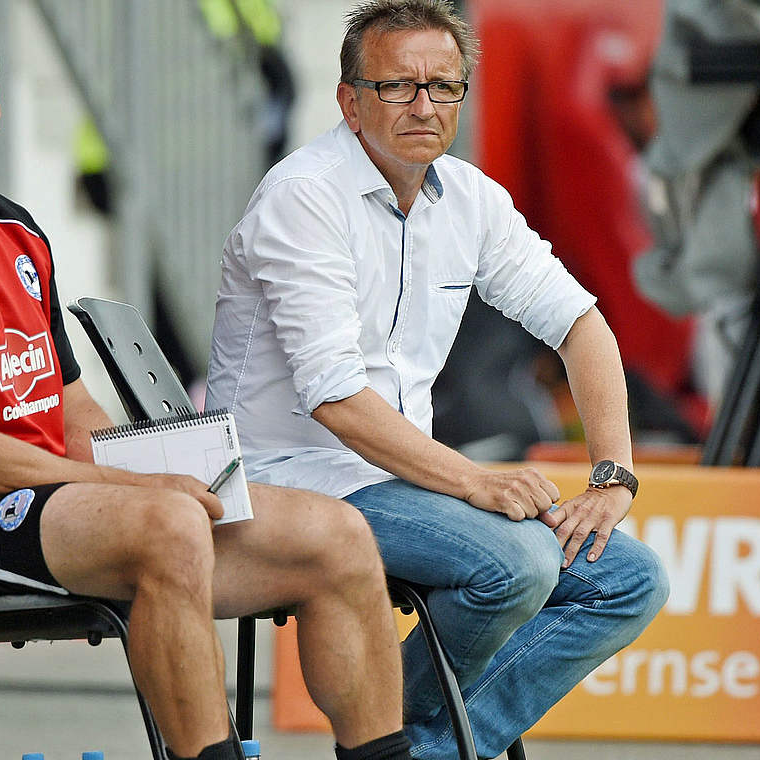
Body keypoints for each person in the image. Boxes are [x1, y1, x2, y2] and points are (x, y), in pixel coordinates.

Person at [0, 6, 414, 760]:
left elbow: (70, 408)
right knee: (168, 526)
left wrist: (163, 465)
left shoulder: (14, 230)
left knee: (337, 534)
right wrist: (137, 492)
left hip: (49, 501)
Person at [206, 2, 669, 757]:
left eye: (443, 86)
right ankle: (395, 740)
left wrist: (612, 475)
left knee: (630, 578)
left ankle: (421, 748)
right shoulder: (304, 196)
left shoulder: (471, 198)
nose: (424, 105)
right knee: (514, 563)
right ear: (349, 100)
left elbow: (582, 326)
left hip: (399, 480)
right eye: (398, 86)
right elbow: (336, 400)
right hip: (288, 483)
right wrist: (474, 483)